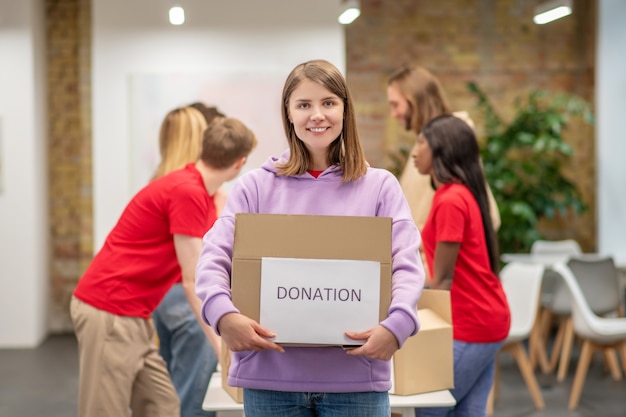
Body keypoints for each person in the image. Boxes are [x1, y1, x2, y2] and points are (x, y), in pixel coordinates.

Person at [195, 59, 425, 417]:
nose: (317, 114)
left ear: (345, 110)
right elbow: (213, 259)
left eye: (329, 103)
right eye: (304, 104)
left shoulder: (380, 187)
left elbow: (407, 266)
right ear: (288, 114)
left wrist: (396, 327)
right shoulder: (255, 186)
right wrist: (223, 316)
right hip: (270, 380)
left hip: (355, 380)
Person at [70, 110, 257, 417]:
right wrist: (220, 343)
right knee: (104, 410)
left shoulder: (194, 188)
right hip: (110, 308)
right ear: (239, 163)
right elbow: (193, 280)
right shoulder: (187, 192)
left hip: (134, 313)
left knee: (162, 405)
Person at [411, 114, 511, 417]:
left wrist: (411, 323)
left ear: (442, 148)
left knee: (429, 410)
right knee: (468, 411)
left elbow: (441, 280)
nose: (414, 152)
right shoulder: (461, 194)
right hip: (488, 318)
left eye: (421, 142)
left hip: (472, 323)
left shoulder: (451, 200)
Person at [151, 104, 226, 417]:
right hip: (190, 302)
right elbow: (206, 261)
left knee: (175, 394)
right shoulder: (197, 192)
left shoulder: (162, 181)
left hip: (164, 300)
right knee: (194, 401)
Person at [386, 64, 501, 232]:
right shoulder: (424, 145)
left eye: (396, 105)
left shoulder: (452, 143)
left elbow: (467, 220)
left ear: (415, 101)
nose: (393, 114)